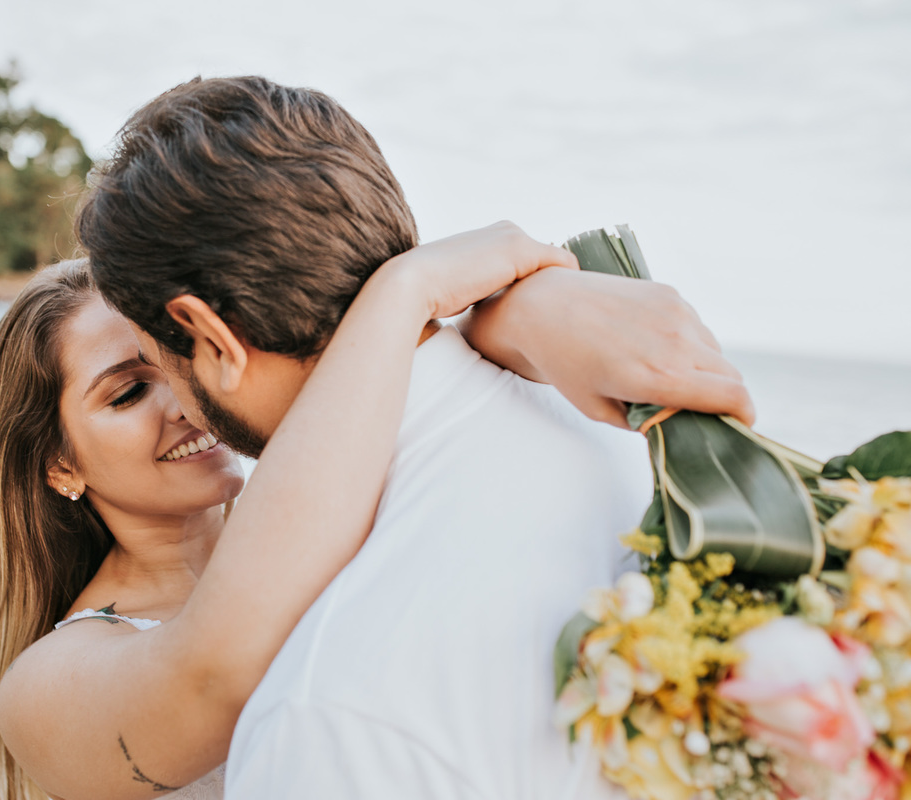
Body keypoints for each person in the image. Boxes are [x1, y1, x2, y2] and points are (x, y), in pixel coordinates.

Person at [74, 76, 755, 799]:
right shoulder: (618, 422)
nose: (175, 404)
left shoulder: (328, 716)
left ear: (212, 338)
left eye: (159, 361)